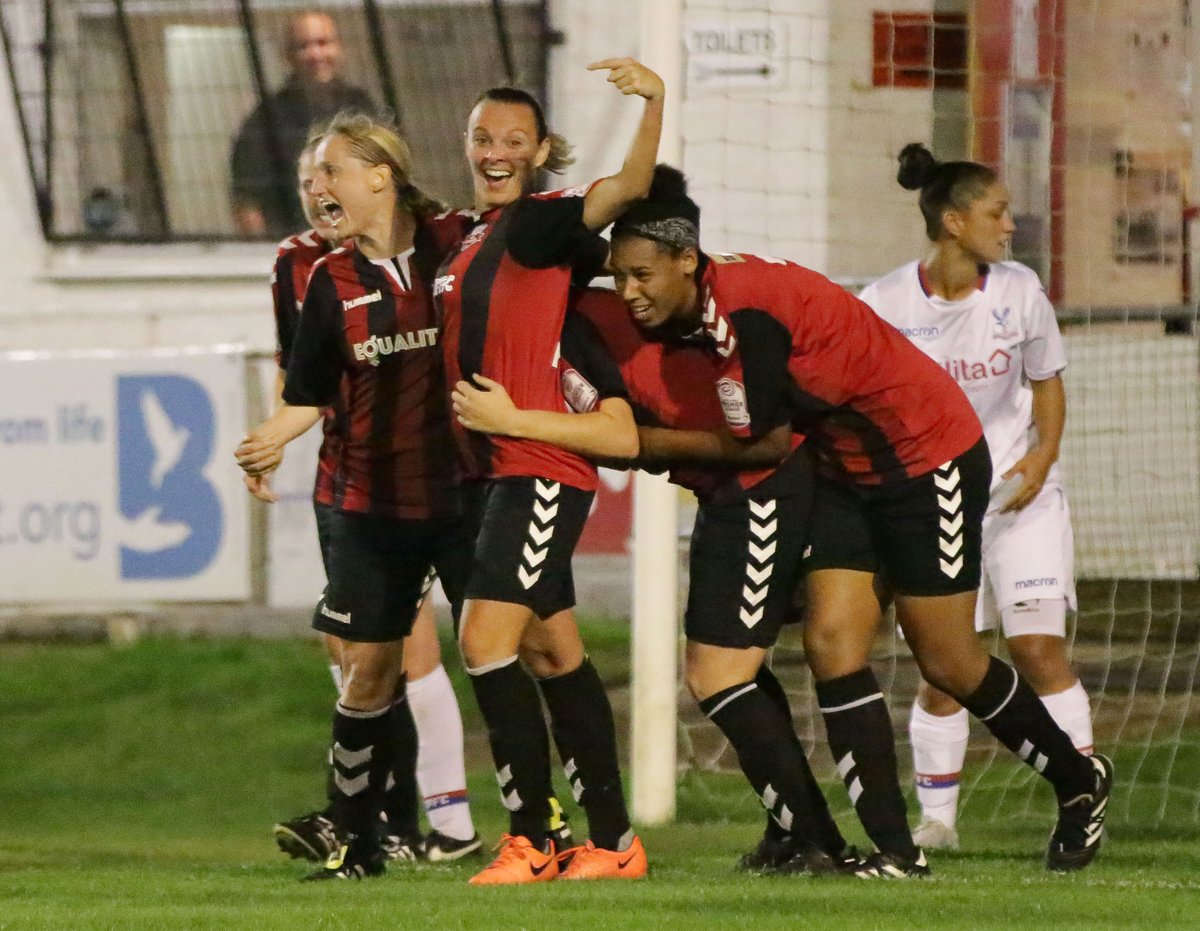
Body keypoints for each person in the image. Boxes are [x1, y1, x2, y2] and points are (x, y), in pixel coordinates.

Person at [604, 164, 1113, 877]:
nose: (628, 292)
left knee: (948, 660)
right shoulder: (714, 298)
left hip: (926, 459)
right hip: (849, 473)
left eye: (640, 275)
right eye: (617, 277)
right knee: (833, 640)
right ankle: (896, 851)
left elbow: (765, 441)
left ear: (687, 259)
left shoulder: (744, 317)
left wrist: (633, 443)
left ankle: (1079, 781)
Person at [453, 282, 860, 877]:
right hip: (721, 485)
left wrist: (514, 420)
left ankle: (832, 842)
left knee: (718, 675)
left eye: (642, 273)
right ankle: (757, 834)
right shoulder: (544, 314)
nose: (633, 288)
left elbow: (623, 433)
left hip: (758, 484)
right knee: (564, 651)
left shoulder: (576, 318)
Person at [435, 60, 663, 885]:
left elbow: (626, 187)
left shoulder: (540, 222)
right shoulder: (467, 234)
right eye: (483, 137)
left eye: (514, 140)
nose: (496, 150)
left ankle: (531, 837)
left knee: (482, 641)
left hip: (538, 467)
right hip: (493, 471)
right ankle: (613, 842)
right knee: (553, 652)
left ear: (539, 152)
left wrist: (653, 102)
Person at [235, 111, 477, 880]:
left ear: (380, 175)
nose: (316, 192)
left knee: (499, 649)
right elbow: (305, 382)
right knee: (364, 658)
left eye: (328, 174)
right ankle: (360, 832)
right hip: (363, 493)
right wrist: (273, 435)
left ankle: (499, 823)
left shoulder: (456, 240)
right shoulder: (313, 273)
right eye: (309, 181)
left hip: (460, 487)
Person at [858, 142, 1094, 851]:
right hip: (933, 505)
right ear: (954, 221)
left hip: (1020, 497)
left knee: (1037, 646)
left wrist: (1042, 455)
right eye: (998, 210)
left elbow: (1046, 380)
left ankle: (1082, 797)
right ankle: (939, 821)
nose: (1011, 223)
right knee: (946, 665)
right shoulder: (886, 302)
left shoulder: (1020, 290)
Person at [230, 10, 376, 239]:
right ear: (287, 56)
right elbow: (247, 200)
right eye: (303, 46)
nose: (316, 54)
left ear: (339, 49)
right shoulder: (265, 119)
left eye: (323, 43)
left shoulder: (363, 108)